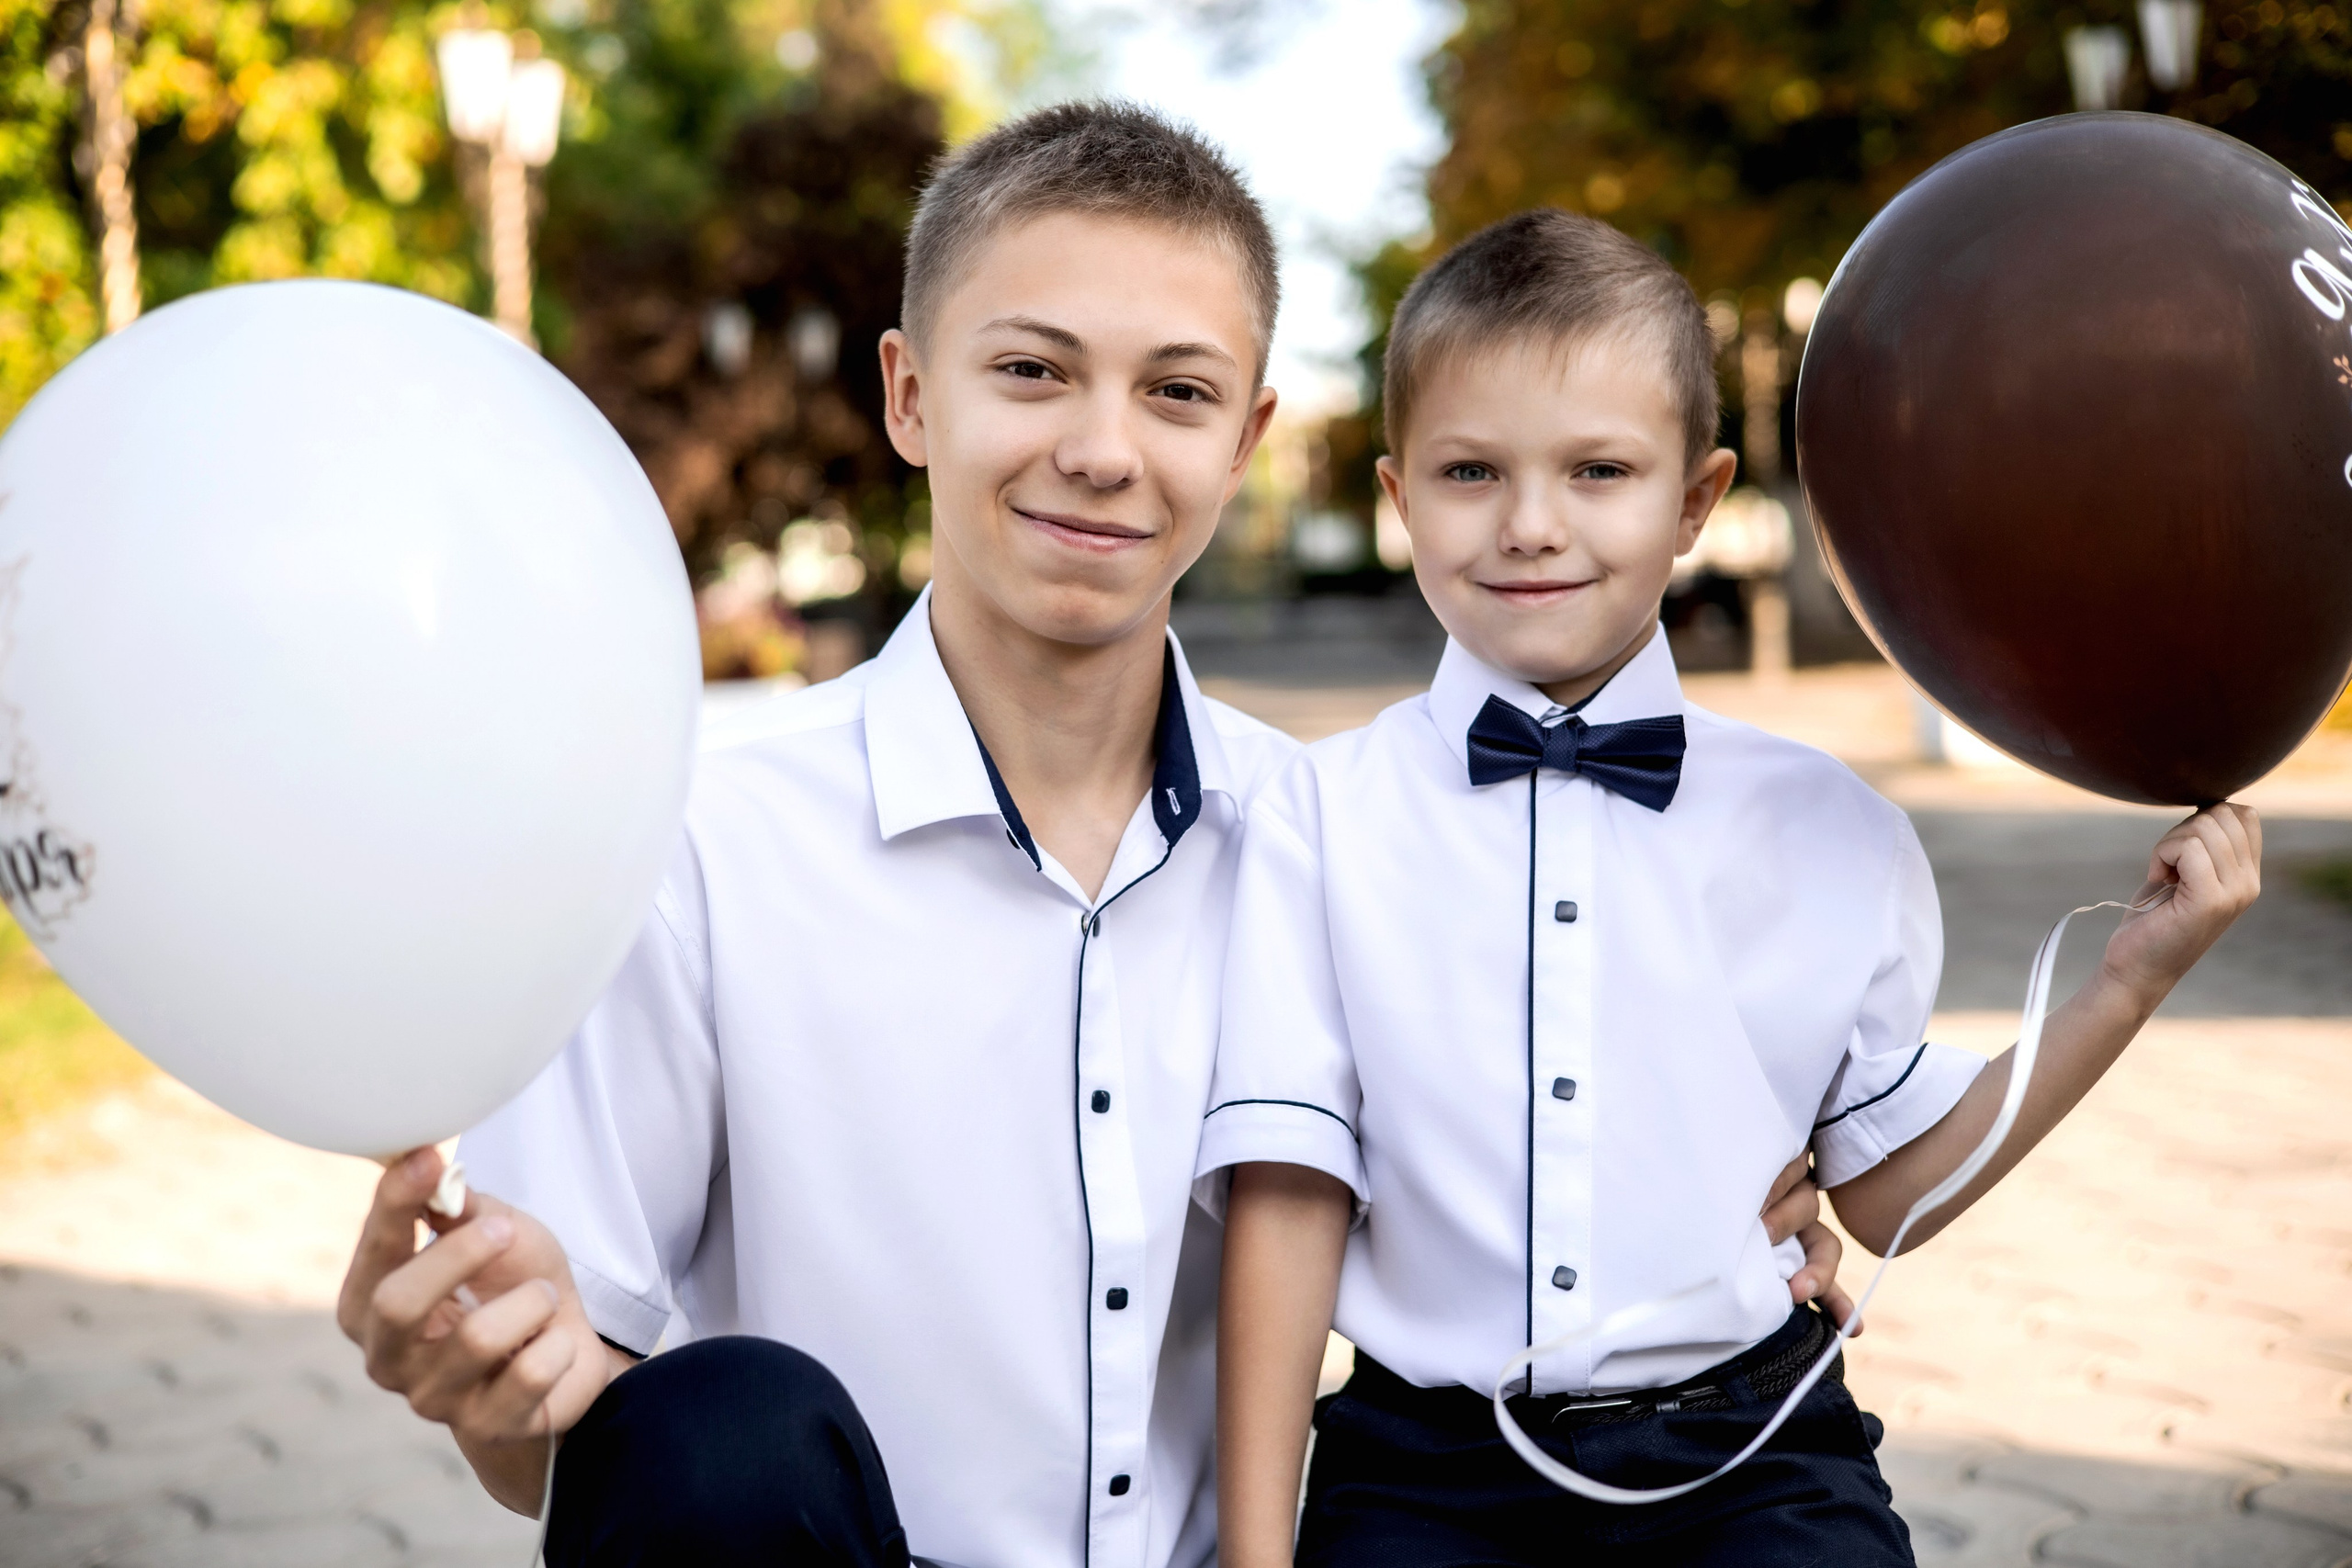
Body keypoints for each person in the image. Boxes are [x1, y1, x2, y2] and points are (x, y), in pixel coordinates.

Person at [335, 107, 1849, 1568]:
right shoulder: (701, 842)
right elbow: (575, 1453)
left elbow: (1559, 1136)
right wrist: (493, 1371)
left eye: (1178, 393)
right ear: (912, 394)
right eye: (1033, 371)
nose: (1104, 450)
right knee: (718, 1434)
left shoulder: (1346, 841)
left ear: (1249, 436)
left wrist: (1719, 1224)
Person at [1206, 209, 2264, 1568]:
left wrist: (2132, 979)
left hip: (1755, 1454)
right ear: (1398, 496)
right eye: (1472, 472)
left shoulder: (1835, 828)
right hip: (1426, 1472)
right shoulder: (1317, 813)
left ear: (1695, 501)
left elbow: (1885, 1199)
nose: (1533, 525)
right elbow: (1288, 1197)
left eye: (1600, 470)